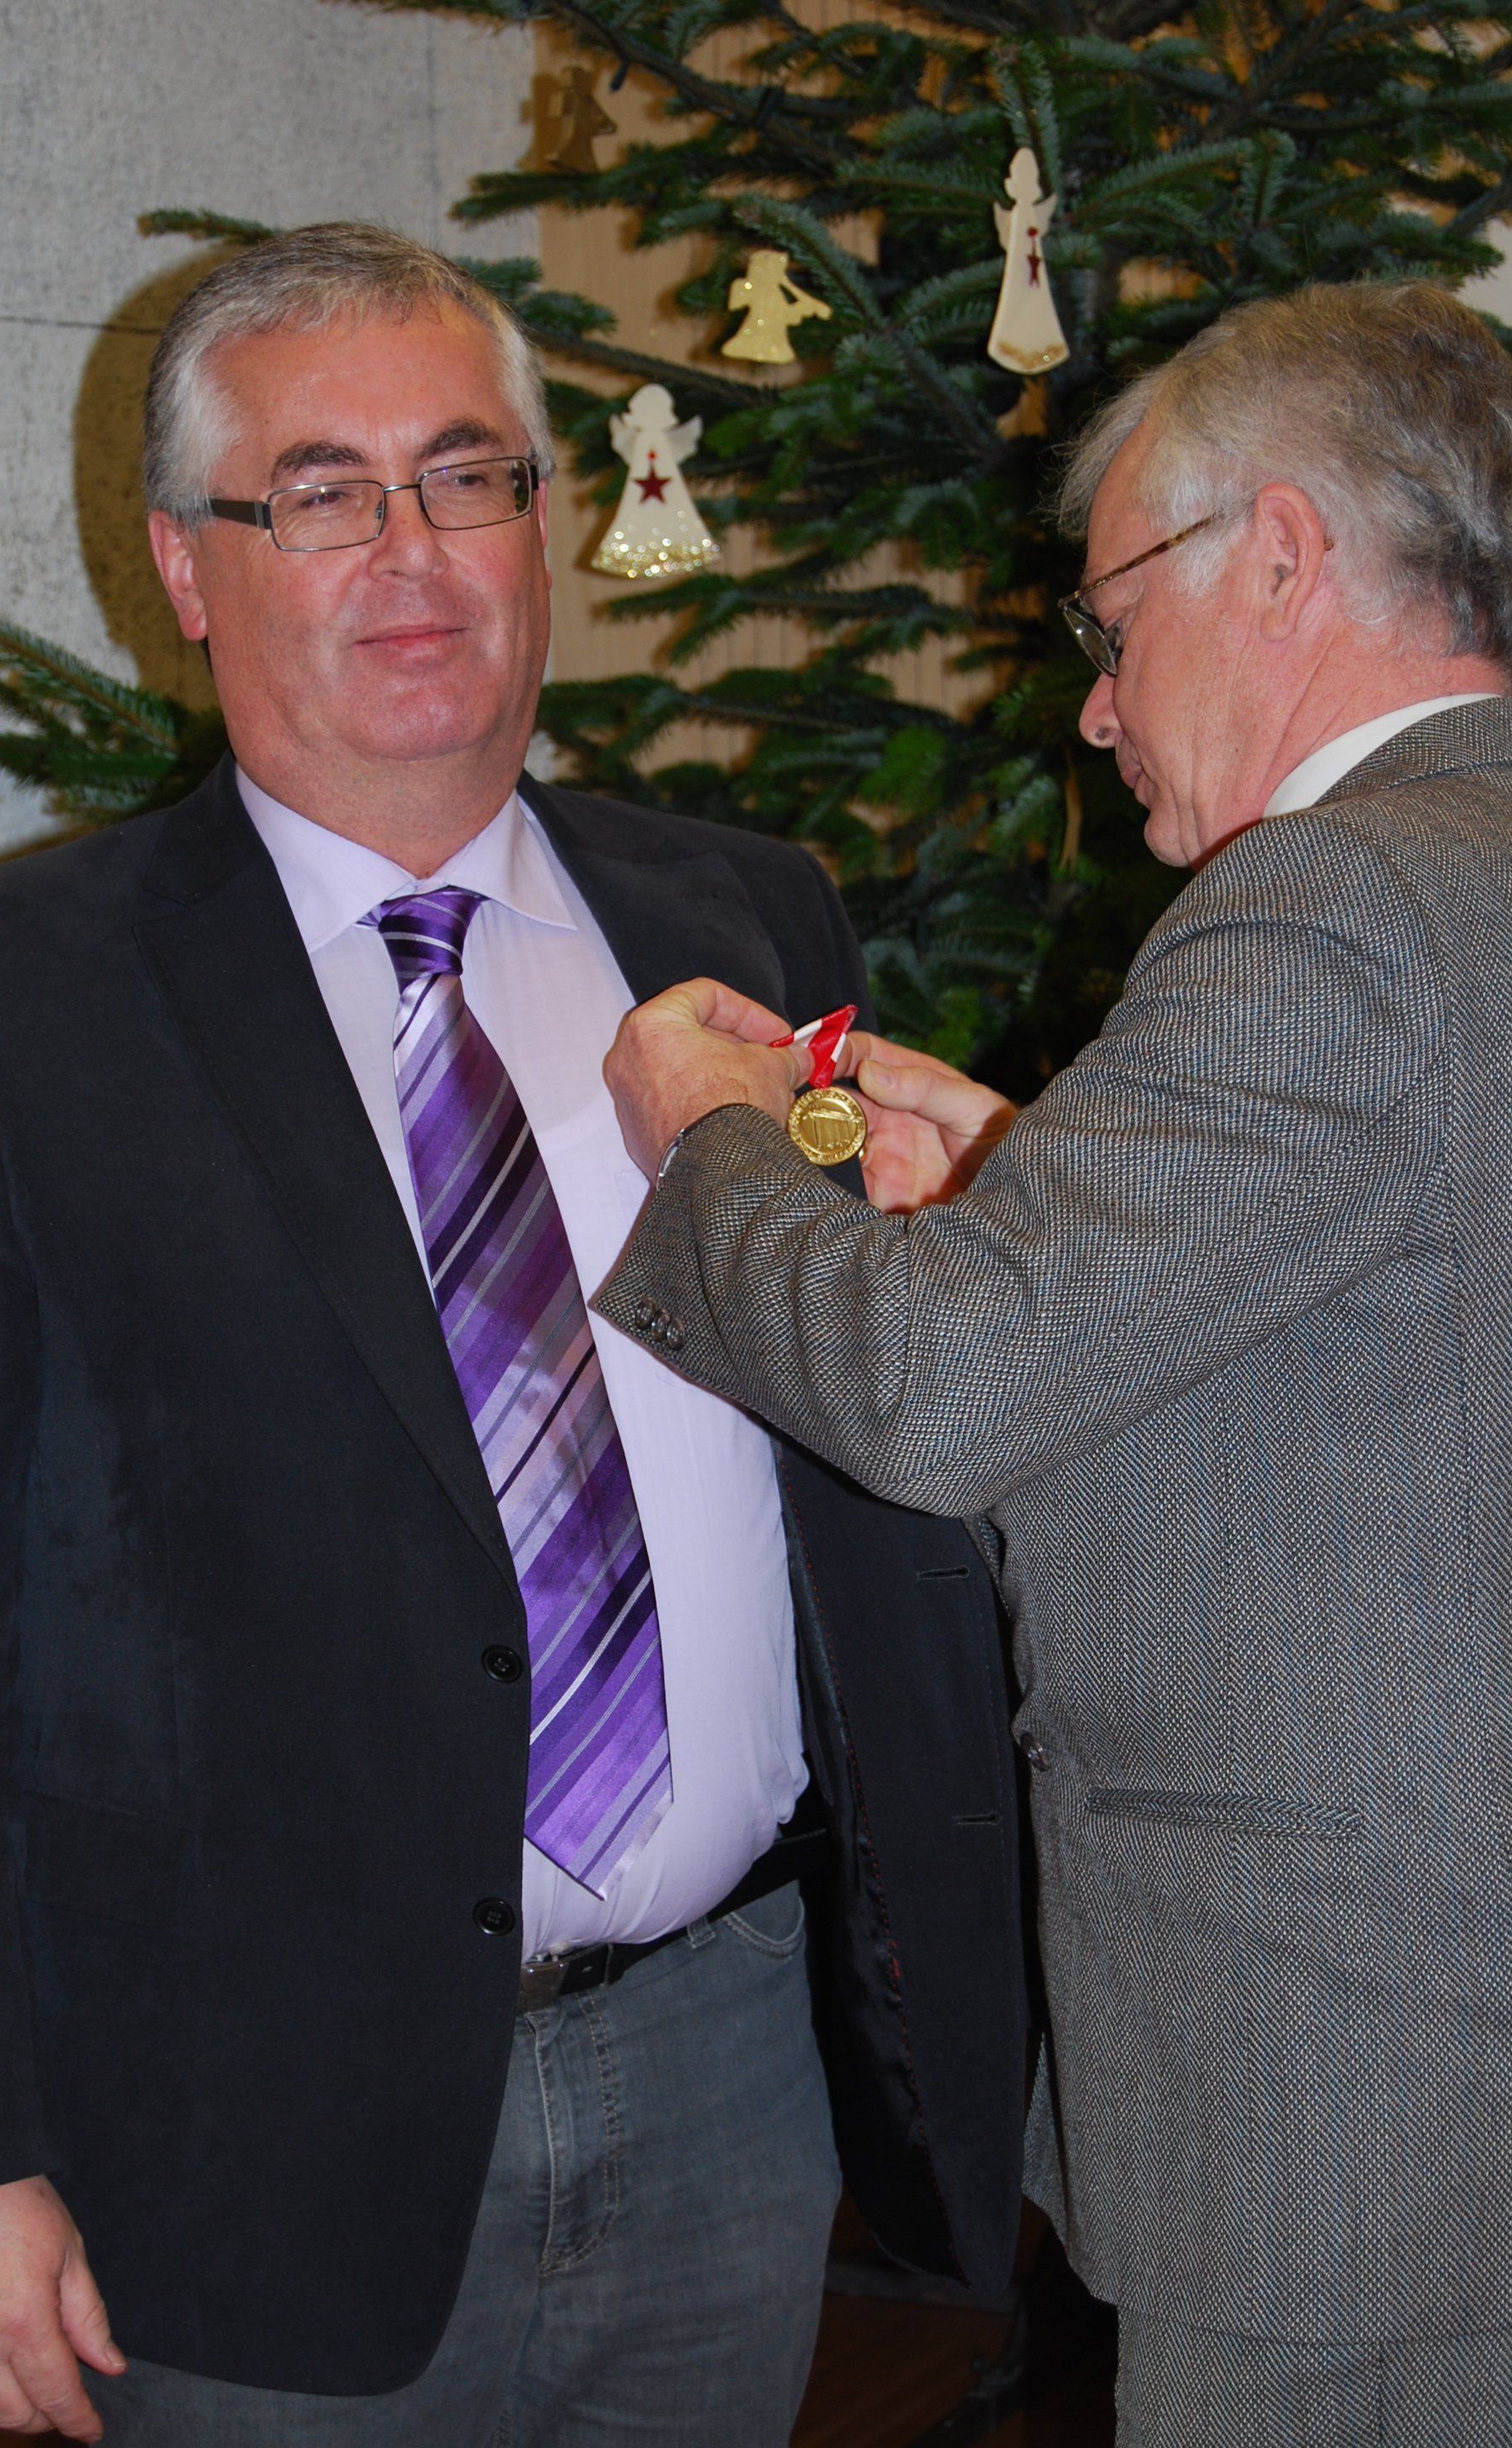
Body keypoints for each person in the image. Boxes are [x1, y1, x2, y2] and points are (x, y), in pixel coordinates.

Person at [0, 225, 1027, 2446]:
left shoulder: (743, 913)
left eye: (468, 475)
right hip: (245, 2134)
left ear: (543, 523)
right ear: (187, 568)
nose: (412, 553)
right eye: (322, 492)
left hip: (730, 2079)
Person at [596, 278, 1512, 2448]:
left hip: (1352, 2121)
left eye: (1108, 624)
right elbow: (1407, 1301)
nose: (1093, 713)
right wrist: (1026, 1177)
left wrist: (713, 1139)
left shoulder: (1329, 903)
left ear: (1278, 553)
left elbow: (934, 1398)